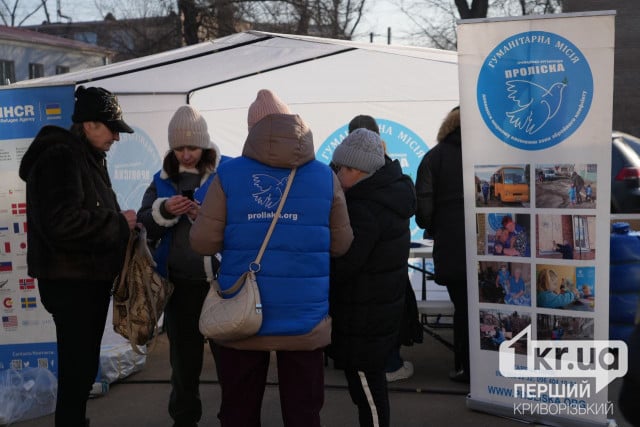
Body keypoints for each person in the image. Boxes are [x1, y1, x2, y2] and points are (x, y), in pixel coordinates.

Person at [190, 89, 353, 426]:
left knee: (238, 411)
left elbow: (203, 243)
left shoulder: (229, 175)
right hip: (305, 319)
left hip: (242, 312)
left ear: (252, 130)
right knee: (303, 413)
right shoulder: (325, 176)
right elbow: (342, 244)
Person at [18, 86, 137, 427]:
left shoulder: (85, 155)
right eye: (111, 127)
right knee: (76, 371)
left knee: (81, 369)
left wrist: (125, 225)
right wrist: (118, 223)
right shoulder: (61, 156)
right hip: (72, 284)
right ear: (88, 124)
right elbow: (60, 223)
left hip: (84, 282)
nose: (116, 135)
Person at [137, 105, 223, 427]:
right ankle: (184, 420)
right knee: (184, 365)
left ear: (205, 146)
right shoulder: (160, 181)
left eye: (192, 147)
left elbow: (241, 224)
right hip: (178, 285)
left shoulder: (223, 175)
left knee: (229, 361)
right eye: (179, 148)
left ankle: (234, 416)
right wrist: (165, 210)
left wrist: (207, 217)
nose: (186, 154)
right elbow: (145, 222)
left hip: (218, 285)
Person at [328, 127, 416, 427]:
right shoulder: (388, 197)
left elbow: (345, 263)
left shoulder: (365, 208)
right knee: (369, 388)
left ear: (361, 170)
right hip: (376, 310)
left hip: (363, 315)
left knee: (367, 392)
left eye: (344, 169)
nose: (338, 175)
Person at [345, 114, 421, 383]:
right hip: (389, 274)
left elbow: (350, 257)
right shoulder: (395, 179)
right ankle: (389, 364)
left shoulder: (360, 193)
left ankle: (380, 368)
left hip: (365, 281)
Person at [415, 106, 470, 383]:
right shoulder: (487, 154)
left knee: (463, 308)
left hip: (451, 247)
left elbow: (423, 211)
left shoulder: (433, 158)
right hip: (490, 246)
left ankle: (464, 367)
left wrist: (435, 225)